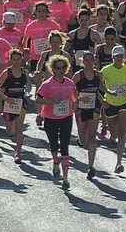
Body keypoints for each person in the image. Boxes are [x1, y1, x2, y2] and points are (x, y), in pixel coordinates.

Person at [36, 55, 77, 188]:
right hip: (50, 118)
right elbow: (38, 100)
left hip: (66, 117)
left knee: (65, 147)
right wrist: (52, 101)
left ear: (66, 68)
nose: (60, 70)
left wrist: (75, 104)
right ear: (52, 69)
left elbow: (74, 96)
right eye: (57, 67)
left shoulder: (70, 83)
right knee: (54, 145)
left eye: (63, 67)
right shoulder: (47, 84)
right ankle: (55, 161)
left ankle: (65, 179)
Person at [100, 45, 126, 173]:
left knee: (122, 134)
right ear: (112, 57)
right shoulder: (106, 70)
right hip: (110, 103)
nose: (119, 58)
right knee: (114, 134)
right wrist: (108, 92)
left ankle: (119, 162)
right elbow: (99, 84)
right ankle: (112, 136)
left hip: (125, 102)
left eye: (121, 56)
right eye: (117, 56)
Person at [0, 48, 30, 162]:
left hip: (20, 102)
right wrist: (4, 99)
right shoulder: (6, 73)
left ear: (21, 60)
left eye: (18, 59)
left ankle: (18, 153)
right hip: (9, 103)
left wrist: (29, 86)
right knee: (10, 131)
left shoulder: (24, 72)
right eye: (13, 59)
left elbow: (28, 84)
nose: (16, 61)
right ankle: (13, 134)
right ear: (10, 60)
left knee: (19, 128)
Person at [73, 51, 103, 179]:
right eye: (86, 60)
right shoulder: (78, 75)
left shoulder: (98, 74)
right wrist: (75, 101)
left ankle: (91, 166)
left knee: (92, 137)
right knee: (83, 138)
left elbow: (101, 88)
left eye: (91, 60)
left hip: (94, 108)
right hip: (81, 109)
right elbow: (71, 90)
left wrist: (109, 94)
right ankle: (80, 140)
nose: (89, 62)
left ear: (94, 61)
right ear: (82, 62)